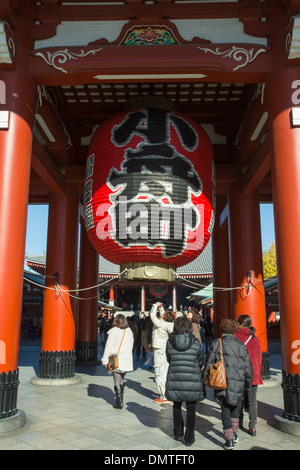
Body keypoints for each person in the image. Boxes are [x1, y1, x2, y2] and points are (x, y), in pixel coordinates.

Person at [203, 319, 252, 450]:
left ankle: (228, 439)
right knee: (235, 406)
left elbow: (209, 362)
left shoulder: (217, 343)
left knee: (225, 408)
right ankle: (234, 434)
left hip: (222, 380)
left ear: (223, 330)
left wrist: (204, 377)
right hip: (238, 381)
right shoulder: (241, 345)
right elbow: (248, 366)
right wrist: (248, 382)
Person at [165, 316, 206, 446]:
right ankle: (189, 437)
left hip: (175, 376)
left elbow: (168, 358)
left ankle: (178, 433)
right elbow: (200, 360)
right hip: (192, 377)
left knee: (176, 405)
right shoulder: (195, 342)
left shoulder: (170, 341)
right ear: (189, 327)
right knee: (191, 407)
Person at [235, 315, 263, 436]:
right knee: (252, 401)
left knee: (239, 399)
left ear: (241, 324)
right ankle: (252, 427)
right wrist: (258, 368)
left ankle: (239, 421)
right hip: (253, 373)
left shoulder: (235, 337)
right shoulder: (255, 338)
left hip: (239, 372)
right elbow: (259, 357)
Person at [102, 314, 134, 409]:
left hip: (116, 358)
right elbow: (132, 343)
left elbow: (108, 346)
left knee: (116, 380)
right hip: (126, 358)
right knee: (122, 379)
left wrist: (105, 360)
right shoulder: (129, 331)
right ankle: (121, 397)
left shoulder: (114, 331)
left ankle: (119, 401)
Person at [150, 302, 174, 403]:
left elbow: (152, 315)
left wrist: (155, 306)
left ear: (164, 318)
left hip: (159, 349)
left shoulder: (160, 324)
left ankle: (164, 396)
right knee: (165, 371)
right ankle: (168, 393)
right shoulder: (169, 324)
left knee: (159, 373)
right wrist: (161, 307)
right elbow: (162, 314)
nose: (162, 315)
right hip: (165, 349)